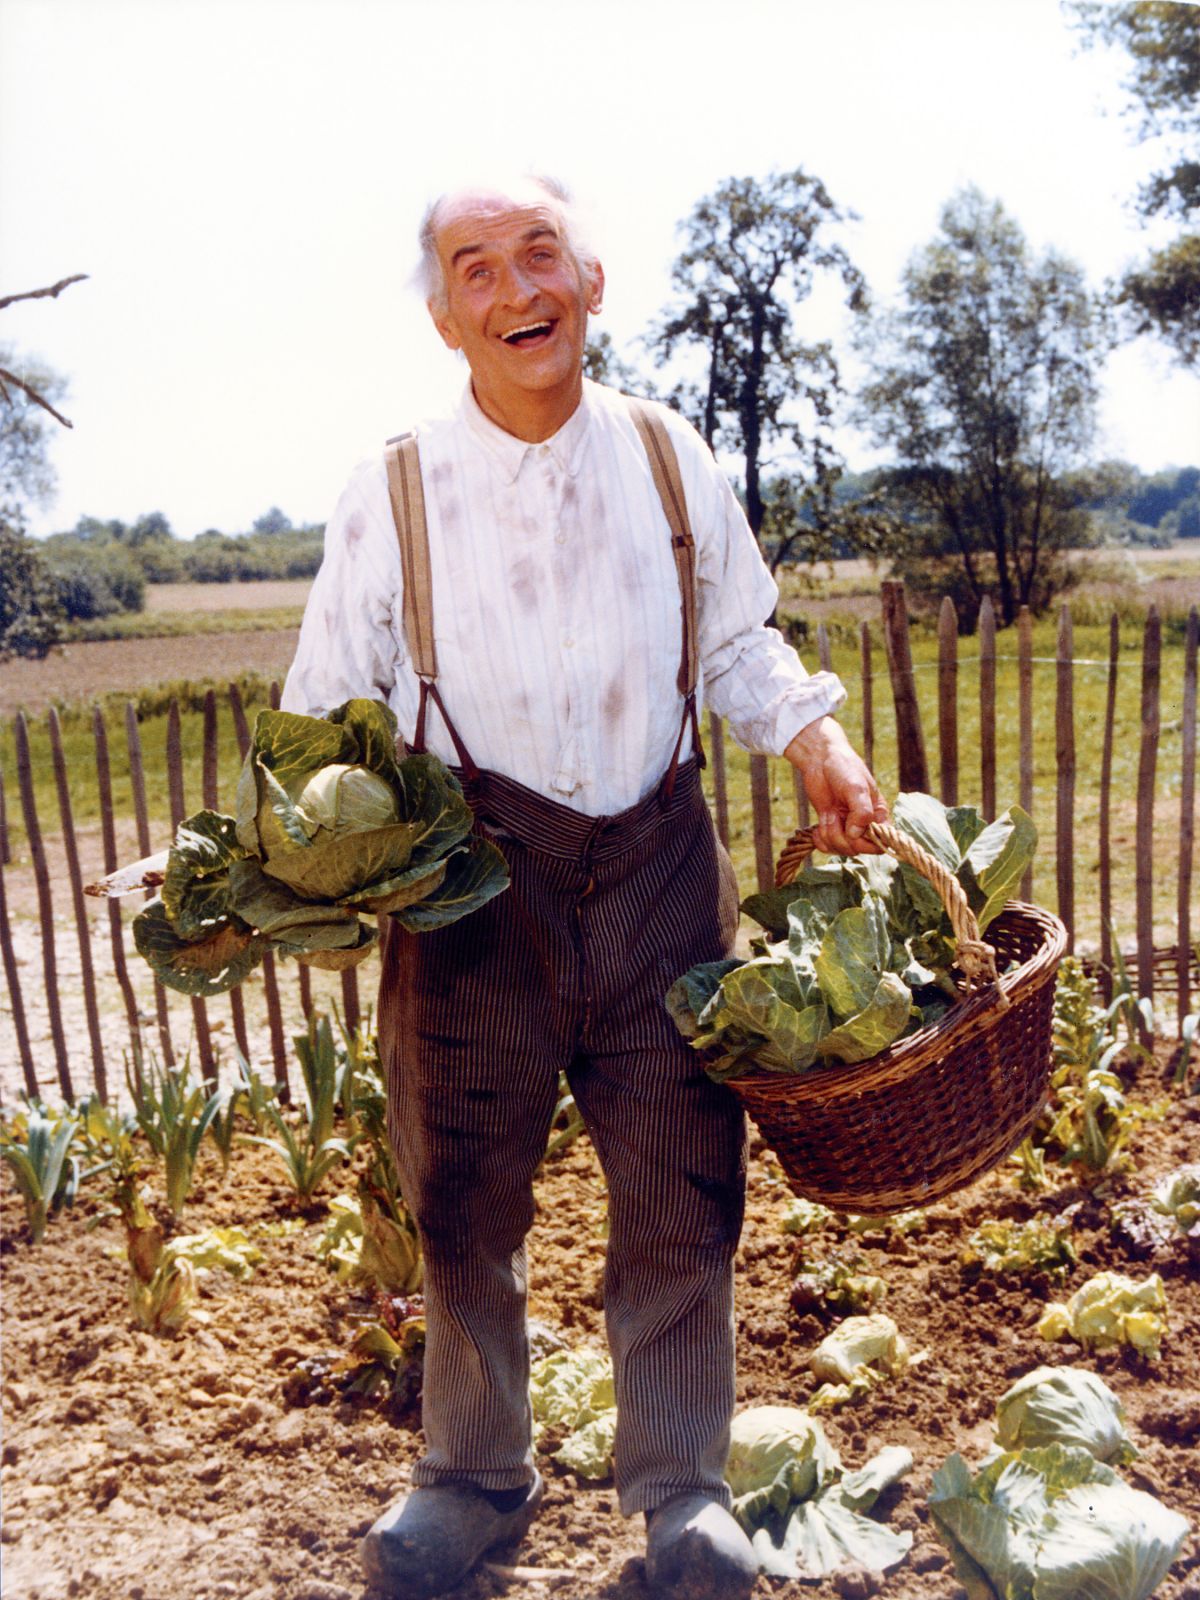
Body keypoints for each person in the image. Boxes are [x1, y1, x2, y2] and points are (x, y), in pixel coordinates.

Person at [282, 172, 887, 1600]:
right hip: (470, 895)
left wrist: (814, 738)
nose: (518, 291)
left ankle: (683, 1487)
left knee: (682, 1188)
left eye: (540, 254)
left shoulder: (669, 456)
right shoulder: (392, 492)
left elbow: (736, 639)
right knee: (461, 1195)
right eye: (477, 269)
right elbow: (325, 716)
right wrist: (309, 858)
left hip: (659, 867)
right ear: (446, 319)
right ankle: (471, 1475)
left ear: (590, 282)